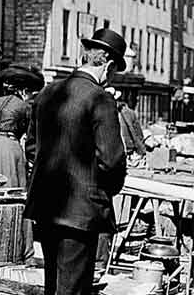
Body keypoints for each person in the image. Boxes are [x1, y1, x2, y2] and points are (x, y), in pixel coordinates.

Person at [25, 28, 127, 295]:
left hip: (46, 206)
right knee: (73, 289)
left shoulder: (47, 92)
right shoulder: (100, 97)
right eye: (114, 71)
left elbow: (32, 150)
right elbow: (112, 161)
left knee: (53, 285)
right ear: (108, 64)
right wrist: (102, 192)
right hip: (81, 213)